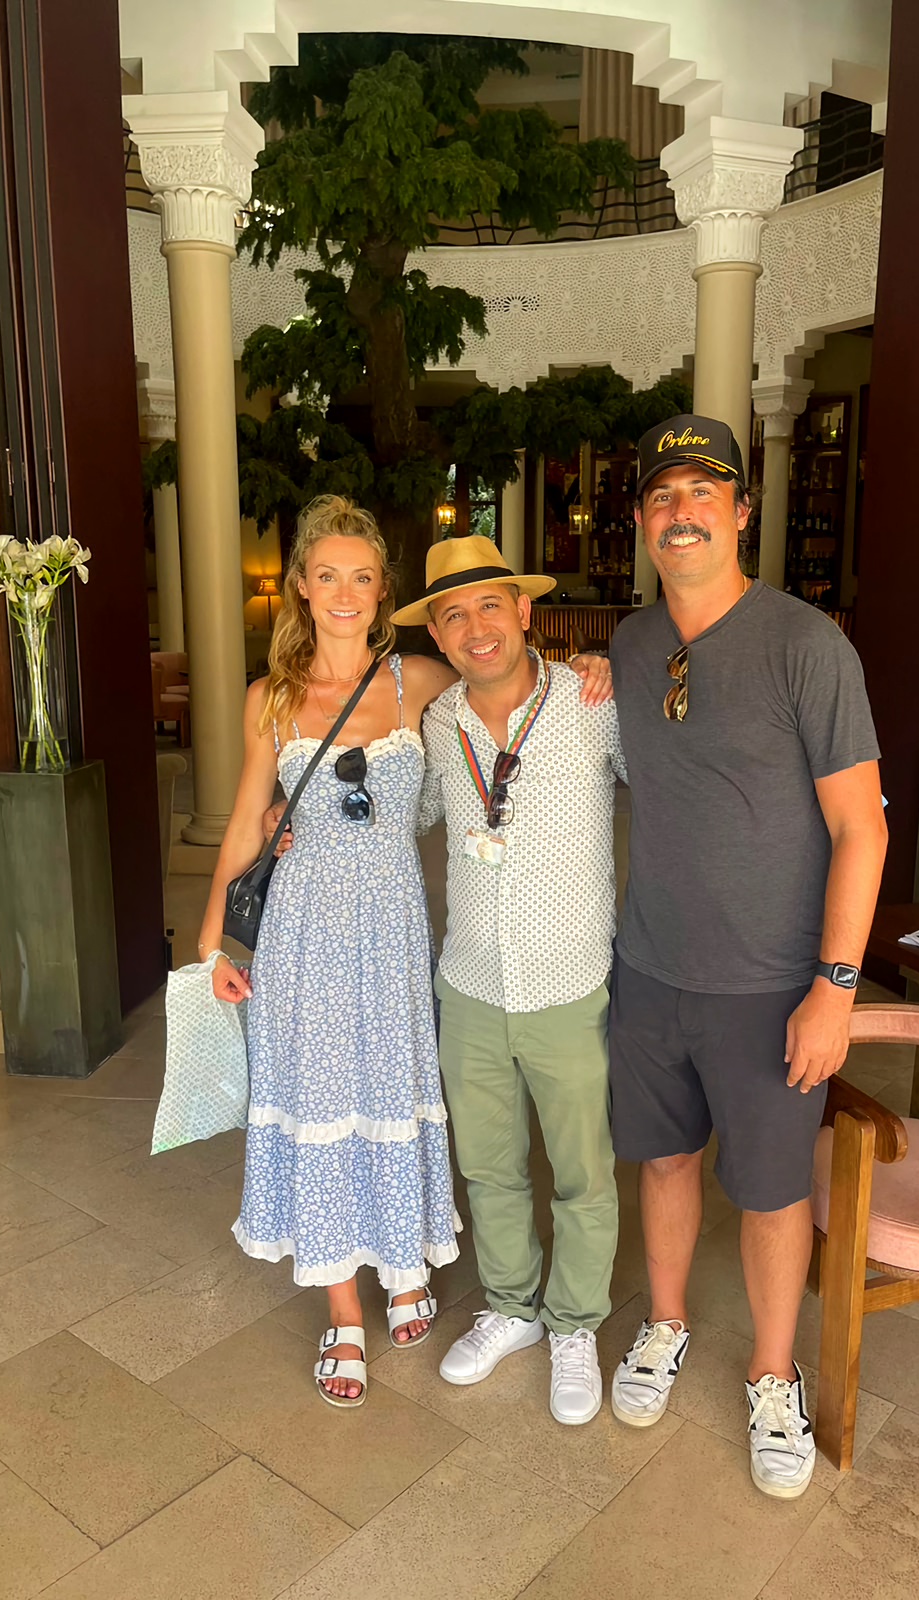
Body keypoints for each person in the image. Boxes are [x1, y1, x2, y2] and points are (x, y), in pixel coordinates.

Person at [606, 415, 888, 1497]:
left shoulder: (807, 647)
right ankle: (666, 1322)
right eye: (662, 496)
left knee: (772, 1192)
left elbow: (862, 829)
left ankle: (774, 1373)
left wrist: (835, 988)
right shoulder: (632, 645)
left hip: (772, 984)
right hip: (651, 968)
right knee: (665, 1159)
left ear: (742, 511)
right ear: (642, 520)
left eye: (702, 492)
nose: (680, 513)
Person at [196, 496, 463, 1409]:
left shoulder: (419, 682)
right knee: (319, 1100)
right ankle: (345, 1311)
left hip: (392, 932)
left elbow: (508, 678)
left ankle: (403, 1264)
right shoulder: (269, 700)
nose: (344, 593)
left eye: (362, 577)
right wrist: (214, 945)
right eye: (327, 576)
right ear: (302, 589)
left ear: (383, 591)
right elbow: (245, 823)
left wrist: (586, 664)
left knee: (390, 1087)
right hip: (301, 937)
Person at [390, 535, 626, 1426]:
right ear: (437, 635)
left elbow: (672, 780)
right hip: (471, 988)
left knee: (583, 1172)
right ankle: (513, 1307)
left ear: (525, 611)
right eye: (453, 614)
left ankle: (575, 1323)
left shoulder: (593, 701)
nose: (475, 627)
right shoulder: (437, 724)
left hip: (572, 984)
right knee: (488, 1169)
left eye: (491, 604)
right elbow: (409, 816)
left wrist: (617, 664)